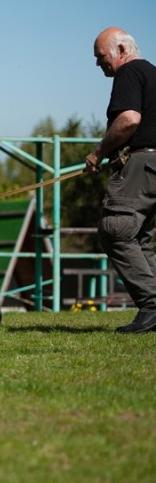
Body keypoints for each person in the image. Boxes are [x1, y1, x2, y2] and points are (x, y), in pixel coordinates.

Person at [85, 27, 156, 333]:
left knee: (115, 229)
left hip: (141, 162)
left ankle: (152, 306)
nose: (99, 65)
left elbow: (129, 119)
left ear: (122, 50)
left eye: (101, 57)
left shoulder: (129, 73)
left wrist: (99, 152)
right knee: (140, 237)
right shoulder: (153, 74)